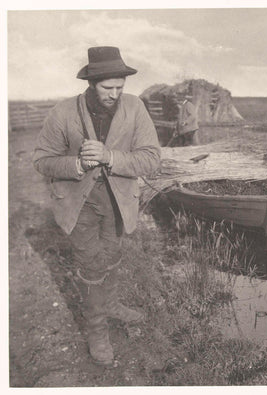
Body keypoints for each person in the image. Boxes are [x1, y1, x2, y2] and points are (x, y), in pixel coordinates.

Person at [33, 46, 162, 366]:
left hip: (119, 200)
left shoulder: (135, 108)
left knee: (112, 254)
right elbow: (41, 160)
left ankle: (112, 304)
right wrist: (76, 164)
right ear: (91, 83)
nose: (115, 94)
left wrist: (111, 157)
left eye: (120, 87)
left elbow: (152, 157)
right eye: (108, 88)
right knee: (91, 265)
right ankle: (97, 330)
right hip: (80, 202)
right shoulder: (63, 113)